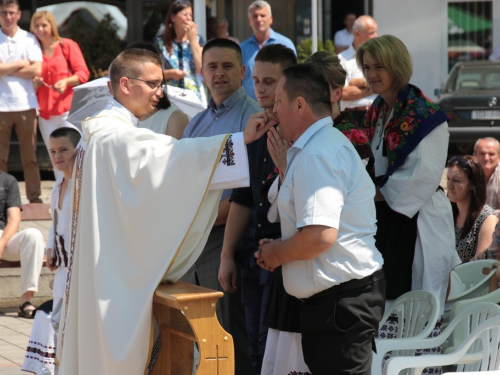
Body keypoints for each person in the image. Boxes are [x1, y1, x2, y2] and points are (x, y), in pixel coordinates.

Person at [55, 47, 275, 375]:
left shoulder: (97, 134)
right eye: (154, 84)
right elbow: (171, 160)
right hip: (112, 275)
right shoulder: (114, 137)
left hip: (104, 266)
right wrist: (240, 140)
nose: (161, 93)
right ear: (126, 85)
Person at [255, 63, 385, 375]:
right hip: (335, 303)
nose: (274, 113)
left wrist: (276, 254)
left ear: (299, 104)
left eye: (278, 104)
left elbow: (319, 236)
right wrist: (282, 245)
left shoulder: (318, 154)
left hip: (340, 304)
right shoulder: (317, 148)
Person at [356, 35, 460, 372]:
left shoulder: (426, 114)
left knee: (421, 297)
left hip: (418, 216)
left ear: (397, 67)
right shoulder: (376, 111)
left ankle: (420, 367)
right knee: (386, 298)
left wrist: (375, 192)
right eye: (367, 67)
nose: (371, 74)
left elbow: (427, 172)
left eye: (379, 67)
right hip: (385, 215)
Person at [181, 38, 261, 375]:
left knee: (229, 337)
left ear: (242, 71)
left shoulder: (253, 119)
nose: (219, 73)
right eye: (212, 66)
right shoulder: (194, 124)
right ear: (202, 73)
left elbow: (248, 193)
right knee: (192, 335)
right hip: (191, 243)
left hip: (227, 239)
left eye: (227, 66)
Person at [217, 43, 296, 375]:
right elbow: (241, 199)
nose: (261, 89)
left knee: (274, 352)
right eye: (258, 81)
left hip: (284, 260)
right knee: (252, 348)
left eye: (270, 82)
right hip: (251, 257)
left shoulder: (300, 134)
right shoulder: (251, 130)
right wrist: (226, 257)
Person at [22, 127, 81, 375]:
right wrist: (49, 249)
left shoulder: (83, 185)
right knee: (57, 325)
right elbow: (55, 225)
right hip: (62, 270)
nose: (57, 156)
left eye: (64, 150)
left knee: (74, 330)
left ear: (78, 152)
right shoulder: (58, 186)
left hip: (79, 270)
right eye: (53, 151)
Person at [30, 10, 89, 180]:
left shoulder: (66, 45)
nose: (40, 29)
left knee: (73, 153)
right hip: (45, 112)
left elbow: (83, 73)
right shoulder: (33, 51)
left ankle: (78, 195)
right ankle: (61, 198)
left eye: (44, 25)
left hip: (67, 110)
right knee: (55, 158)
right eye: (37, 26)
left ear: (52, 26)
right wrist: (34, 83)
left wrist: (66, 81)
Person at [0, 0, 43, 203]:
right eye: (4, 13)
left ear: (18, 15)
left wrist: (5, 68)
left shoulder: (29, 38)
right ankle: (2, 200)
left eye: (11, 12)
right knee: (0, 158)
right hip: (1, 106)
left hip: (26, 104)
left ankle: (34, 199)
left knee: (30, 157)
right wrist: (22, 63)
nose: (8, 17)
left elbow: (37, 69)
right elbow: (29, 67)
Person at [0, 170, 45, 318]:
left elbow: (14, 219)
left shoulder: (7, 180)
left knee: (33, 235)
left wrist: (1, 245)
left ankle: (26, 300)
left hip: (3, 237)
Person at [124, 41, 189, 139]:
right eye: (151, 83)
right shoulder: (112, 118)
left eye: (156, 83)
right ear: (125, 83)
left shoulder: (174, 119)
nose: (159, 93)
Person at [240, 0, 296, 101]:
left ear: (270, 19)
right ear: (249, 21)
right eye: (255, 16)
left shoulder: (285, 44)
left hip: (280, 108)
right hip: (249, 109)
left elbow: (294, 78)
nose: (259, 19)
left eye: (262, 15)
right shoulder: (242, 49)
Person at [447, 155, 498, 263]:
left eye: (456, 180)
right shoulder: (447, 215)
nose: (449, 185)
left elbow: (479, 267)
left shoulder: (487, 218)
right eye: (448, 179)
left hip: (468, 279)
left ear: (473, 185)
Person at [154, 0, 206, 103]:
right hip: (170, 98)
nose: (189, 18)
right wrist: (170, 74)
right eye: (185, 14)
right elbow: (153, 73)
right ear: (173, 18)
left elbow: (201, 69)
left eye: (190, 15)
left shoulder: (198, 40)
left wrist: (192, 40)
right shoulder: (160, 42)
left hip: (194, 97)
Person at [339, 15, 378, 126]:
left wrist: (356, 83)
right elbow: (342, 93)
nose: (376, 36)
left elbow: (389, 84)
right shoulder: (342, 60)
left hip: (377, 115)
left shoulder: (380, 58)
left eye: (376, 32)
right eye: (371, 33)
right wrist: (374, 86)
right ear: (357, 34)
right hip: (353, 117)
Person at [473, 137, 500, 211]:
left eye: (491, 154)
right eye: (482, 153)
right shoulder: (467, 175)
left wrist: (488, 217)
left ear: (499, 157)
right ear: (474, 156)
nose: (486, 158)